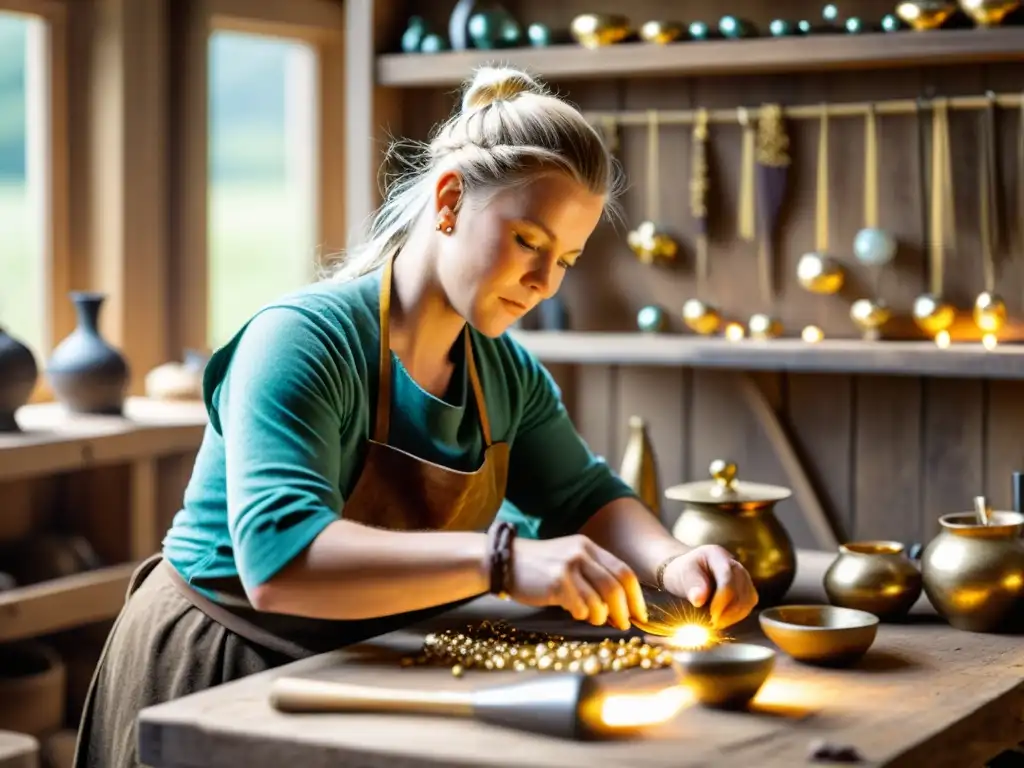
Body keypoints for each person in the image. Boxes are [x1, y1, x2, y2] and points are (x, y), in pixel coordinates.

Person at [73, 66, 758, 768]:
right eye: (529, 241)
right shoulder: (301, 342)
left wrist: (673, 563)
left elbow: (581, 497)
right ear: (451, 199)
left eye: (568, 259)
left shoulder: (504, 372)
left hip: (351, 664)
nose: (545, 282)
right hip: (222, 663)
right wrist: (503, 562)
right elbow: (279, 560)